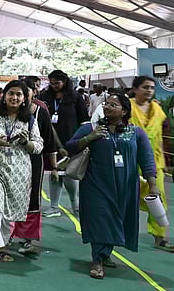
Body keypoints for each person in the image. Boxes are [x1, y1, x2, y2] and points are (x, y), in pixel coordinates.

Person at [66, 93, 159, 278]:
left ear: (124, 111)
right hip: (96, 184)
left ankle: (105, 252)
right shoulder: (91, 128)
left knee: (117, 219)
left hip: (126, 186)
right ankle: (97, 260)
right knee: (100, 218)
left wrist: (153, 185)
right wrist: (89, 138)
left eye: (113, 105)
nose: (107, 107)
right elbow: (70, 146)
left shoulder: (136, 132)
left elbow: (147, 159)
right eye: (106, 104)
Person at [0, 80, 43, 268]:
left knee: (7, 213)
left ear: (24, 99)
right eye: (11, 93)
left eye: (19, 95)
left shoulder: (30, 120)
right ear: (4, 96)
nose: (14, 97)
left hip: (18, 172)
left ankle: (2, 247)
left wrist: (26, 143)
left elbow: (38, 146)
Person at [10, 77, 57, 255]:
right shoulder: (5, 111)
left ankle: (27, 239)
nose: (18, 97)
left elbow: (49, 142)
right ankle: (5, 234)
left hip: (33, 162)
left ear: (33, 93)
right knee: (8, 195)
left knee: (31, 199)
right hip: (9, 160)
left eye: (24, 93)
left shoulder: (41, 112)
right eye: (15, 93)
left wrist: (54, 167)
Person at [126, 76, 174, 251]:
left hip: (154, 161)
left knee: (158, 198)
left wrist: (165, 160)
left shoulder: (157, 109)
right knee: (127, 198)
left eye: (152, 88)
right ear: (135, 89)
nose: (149, 90)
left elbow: (160, 136)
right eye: (145, 87)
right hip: (130, 159)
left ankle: (159, 237)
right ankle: (120, 233)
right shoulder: (126, 107)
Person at [39, 69, 88, 218]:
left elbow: (84, 120)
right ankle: (54, 207)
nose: (54, 86)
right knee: (54, 174)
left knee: (70, 174)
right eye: (52, 83)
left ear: (65, 81)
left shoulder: (76, 97)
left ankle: (76, 207)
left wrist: (81, 141)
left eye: (57, 83)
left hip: (72, 141)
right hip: (51, 142)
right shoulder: (45, 97)